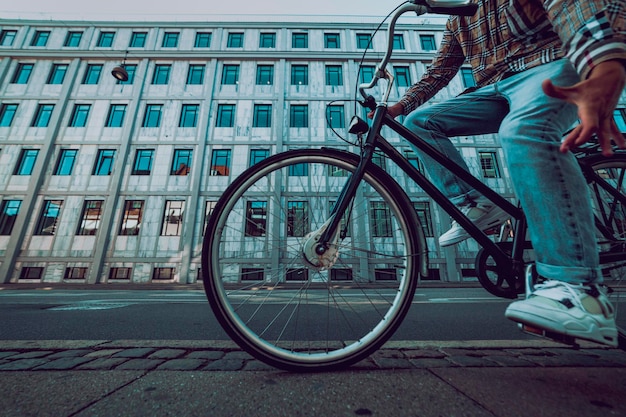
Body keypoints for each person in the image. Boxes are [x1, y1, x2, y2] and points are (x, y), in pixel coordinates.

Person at [381, 0, 626, 346]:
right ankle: (476, 203)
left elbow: (571, 6)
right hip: (496, 88)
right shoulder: (458, 21)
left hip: (548, 66)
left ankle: (579, 290)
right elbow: (439, 71)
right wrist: (400, 106)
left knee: (522, 130)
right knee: (419, 123)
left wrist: (603, 60)